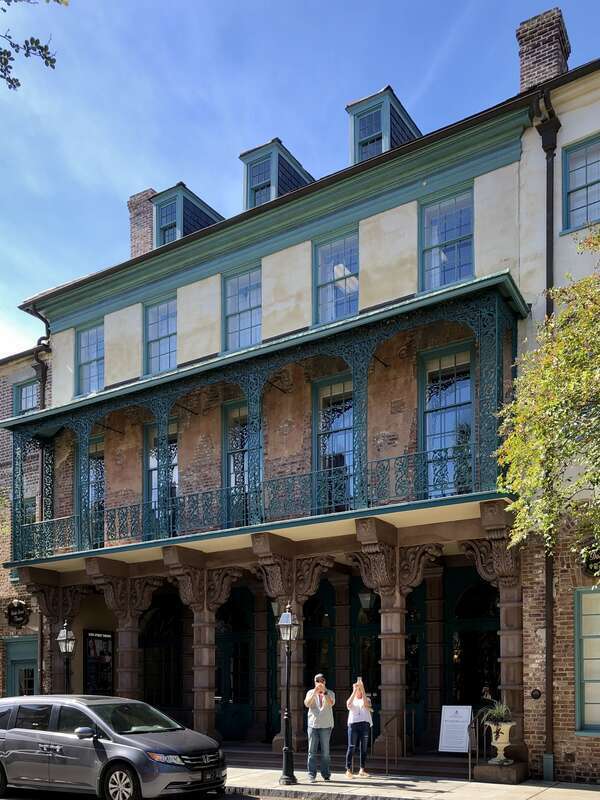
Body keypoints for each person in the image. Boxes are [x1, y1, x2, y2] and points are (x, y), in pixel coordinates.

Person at [304, 673, 335, 783]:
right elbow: (307, 704)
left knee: (325, 752)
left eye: (321, 680)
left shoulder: (330, 693)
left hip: (326, 725)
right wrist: (315, 693)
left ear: (325, 682)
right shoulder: (310, 693)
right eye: (317, 681)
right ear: (314, 682)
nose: (319, 683)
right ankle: (311, 775)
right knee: (311, 751)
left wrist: (324, 692)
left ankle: (326, 774)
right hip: (313, 725)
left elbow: (331, 703)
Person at [345, 677, 372, 778]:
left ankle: (362, 769)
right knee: (351, 746)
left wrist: (363, 688)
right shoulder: (352, 699)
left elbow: (366, 704)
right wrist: (355, 690)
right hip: (353, 725)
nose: (359, 690)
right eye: (357, 688)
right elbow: (348, 704)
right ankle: (348, 769)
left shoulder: (367, 699)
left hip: (364, 724)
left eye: (360, 688)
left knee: (363, 748)